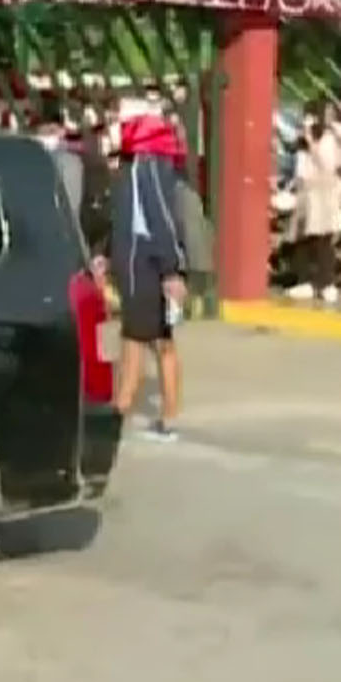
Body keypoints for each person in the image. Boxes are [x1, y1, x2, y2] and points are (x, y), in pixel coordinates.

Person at [109, 111, 190, 442]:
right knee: (155, 340)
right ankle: (159, 415)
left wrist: (171, 269)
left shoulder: (147, 168)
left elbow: (160, 219)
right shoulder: (144, 168)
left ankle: (121, 411)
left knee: (139, 340)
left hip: (146, 264)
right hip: (141, 262)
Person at [285, 100, 341, 302]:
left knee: (324, 240)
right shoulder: (305, 139)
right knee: (304, 239)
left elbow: (326, 164)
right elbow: (300, 169)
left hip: (325, 193)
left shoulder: (330, 138)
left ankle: (327, 283)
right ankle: (305, 282)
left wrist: (311, 141)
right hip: (308, 193)